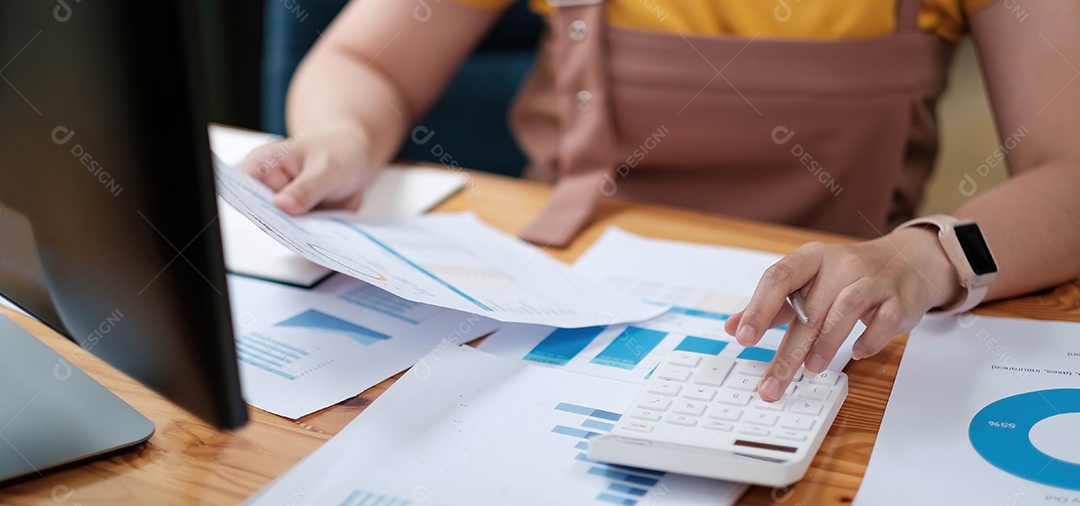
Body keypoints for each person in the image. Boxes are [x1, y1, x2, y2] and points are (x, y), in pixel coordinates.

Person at [239, 1, 1080, 401]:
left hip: (834, 346)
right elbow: (367, 63)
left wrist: (928, 255)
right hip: (545, 314)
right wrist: (345, 136)